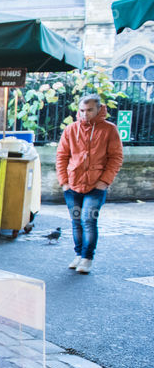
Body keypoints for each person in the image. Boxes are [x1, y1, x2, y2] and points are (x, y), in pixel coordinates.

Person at [55, 93, 123, 274]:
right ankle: (78, 254)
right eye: (82, 110)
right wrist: (64, 182)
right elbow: (62, 156)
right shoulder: (71, 129)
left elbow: (116, 158)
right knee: (76, 221)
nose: (85, 114)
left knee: (88, 220)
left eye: (89, 110)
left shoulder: (109, 129)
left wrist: (104, 181)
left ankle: (87, 258)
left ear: (99, 109)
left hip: (96, 186)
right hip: (72, 185)